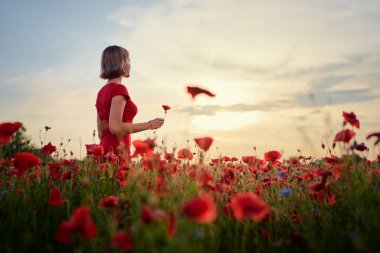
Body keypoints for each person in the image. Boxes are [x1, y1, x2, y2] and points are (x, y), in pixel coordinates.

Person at [95, 45, 164, 158]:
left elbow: (100, 132)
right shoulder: (119, 89)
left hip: (104, 149)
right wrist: (148, 125)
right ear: (121, 63)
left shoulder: (101, 92)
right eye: (128, 60)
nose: (130, 64)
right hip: (117, 150)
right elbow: (115, 128)